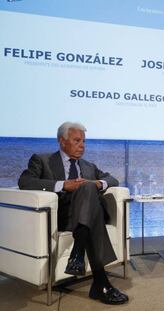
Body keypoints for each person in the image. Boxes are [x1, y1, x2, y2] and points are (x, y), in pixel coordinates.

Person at [18, 122, 128, 305]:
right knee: (92, 214)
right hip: (62, 216)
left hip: (85, 215)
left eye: (84, 141)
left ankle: (80, 253)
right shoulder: (42, 160)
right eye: (77, 141)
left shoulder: (89, 166)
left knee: (87, 187)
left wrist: (98, 184)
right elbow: (25, 181)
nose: (82, 145)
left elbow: (112, 179)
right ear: (62, 141)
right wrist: (63, 185)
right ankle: (100, 283)